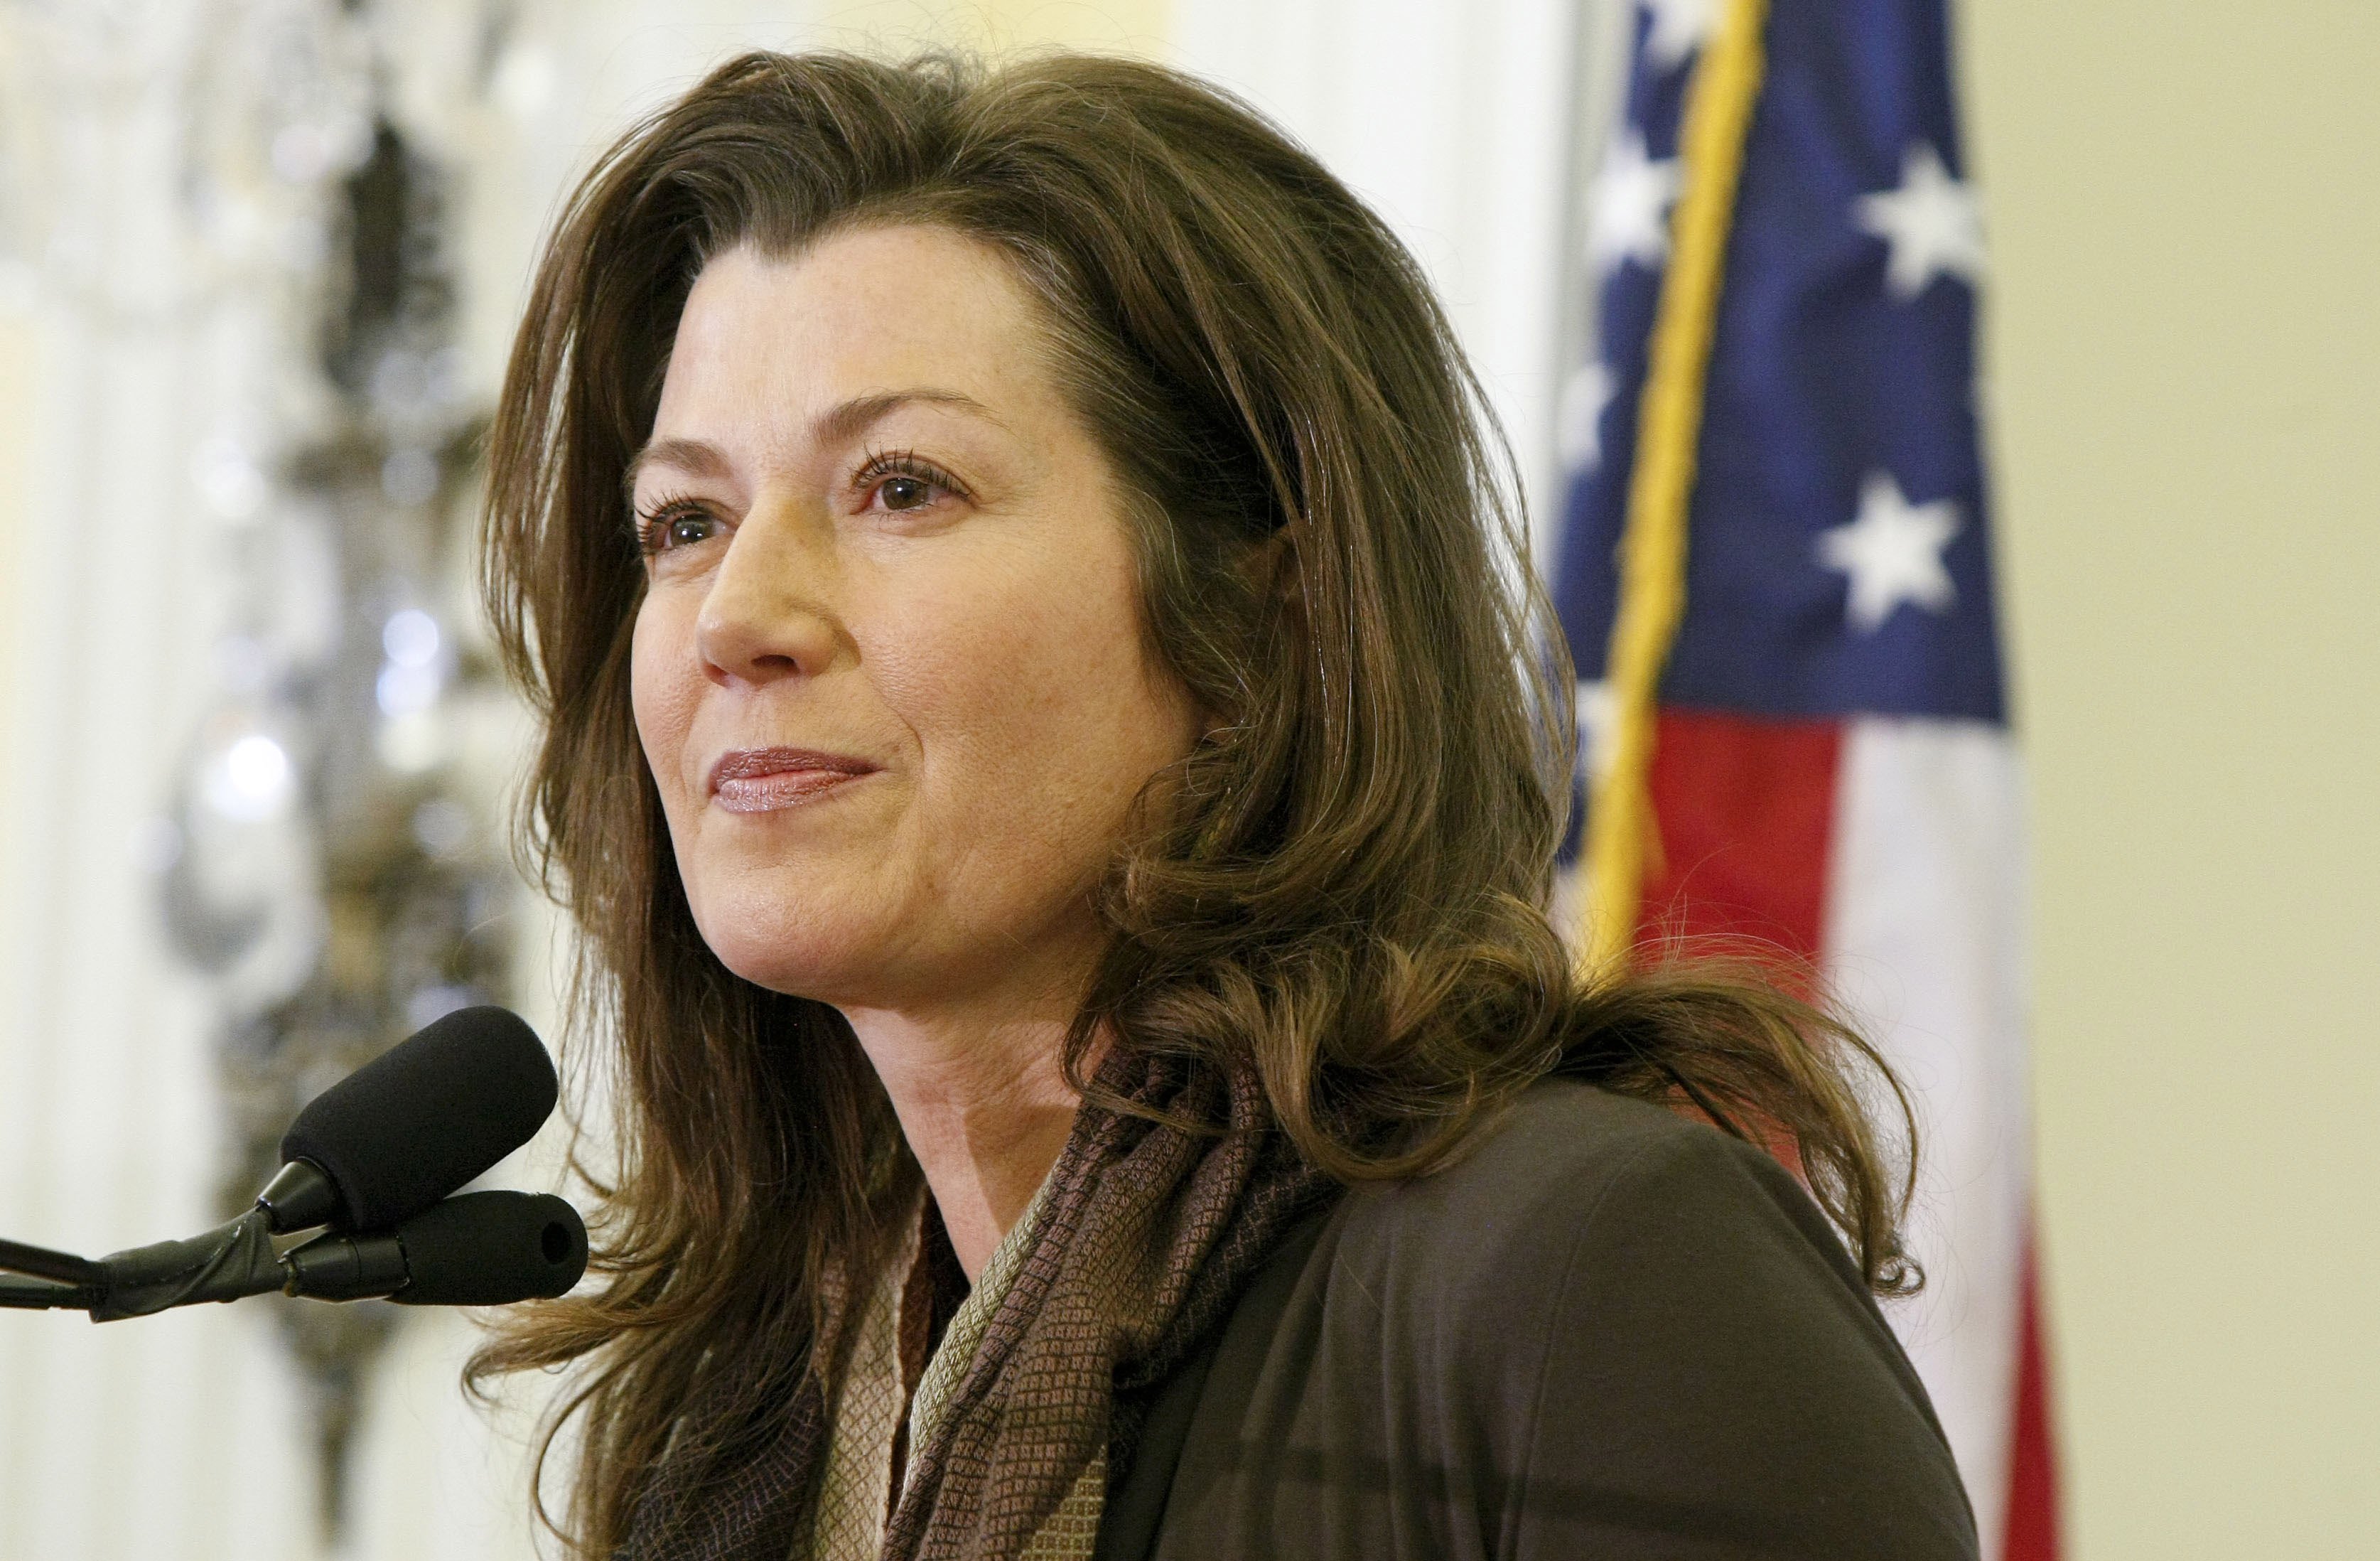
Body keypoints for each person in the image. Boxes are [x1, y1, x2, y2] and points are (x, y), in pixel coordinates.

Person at [472, 49, 1977, 1561]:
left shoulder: (1589, 1275)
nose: (738, 613)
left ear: (1262, 616)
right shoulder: (734, 1420)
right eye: (684, 520)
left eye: (901, 485)